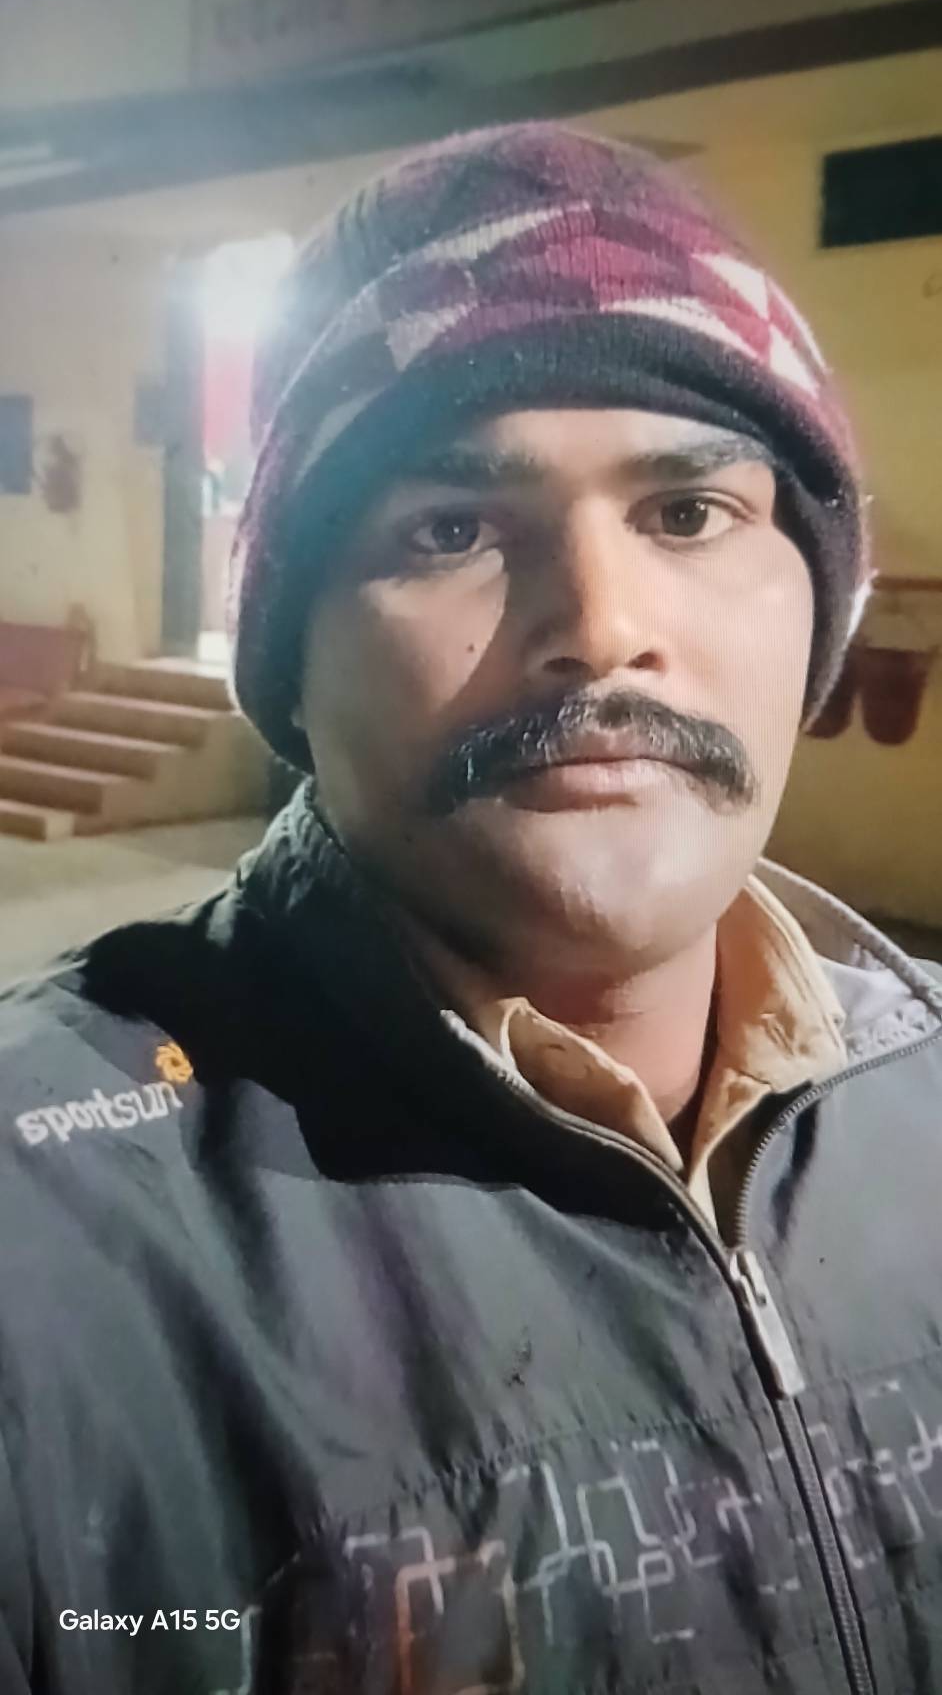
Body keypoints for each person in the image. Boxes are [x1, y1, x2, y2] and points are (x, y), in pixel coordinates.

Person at [1, 124, 940, 1695]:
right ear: (292, 654)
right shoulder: (51, 1245)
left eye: (687, 513)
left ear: (816, 607)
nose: (600, 629)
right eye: (449, 528)